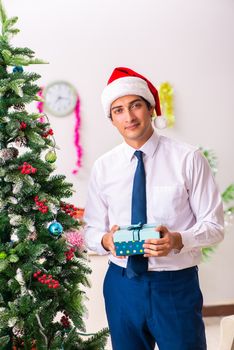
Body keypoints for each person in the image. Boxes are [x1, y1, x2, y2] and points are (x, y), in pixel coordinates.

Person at [84, 67, 224, 350]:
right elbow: (91, 231)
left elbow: (214, 226)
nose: (129, 117)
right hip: (121, 284)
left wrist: (177, 239)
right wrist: (104, 240)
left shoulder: (188, 158)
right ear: (111, 120)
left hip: (174, 285)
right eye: (119, 110)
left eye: (136, 105)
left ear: (151, 109)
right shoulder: (103, 167)